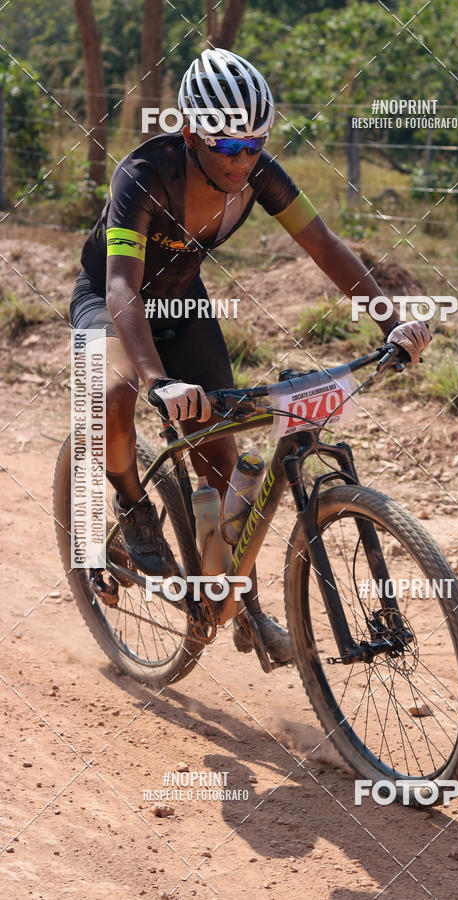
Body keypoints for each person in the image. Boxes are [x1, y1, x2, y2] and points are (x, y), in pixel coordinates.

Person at [69, 48, 430, 663]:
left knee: (225, 461)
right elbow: (124, 285)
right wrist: (158, 381)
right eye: (227, 145)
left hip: (182, 305)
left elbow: (324, 245)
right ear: (190, 132)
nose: (243, 159)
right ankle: (132, 509)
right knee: (113, 394)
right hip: (110, 299)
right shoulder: (144, 174)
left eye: (254, 143)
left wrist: (392, 321)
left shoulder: (259, 173)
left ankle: (244, 607)